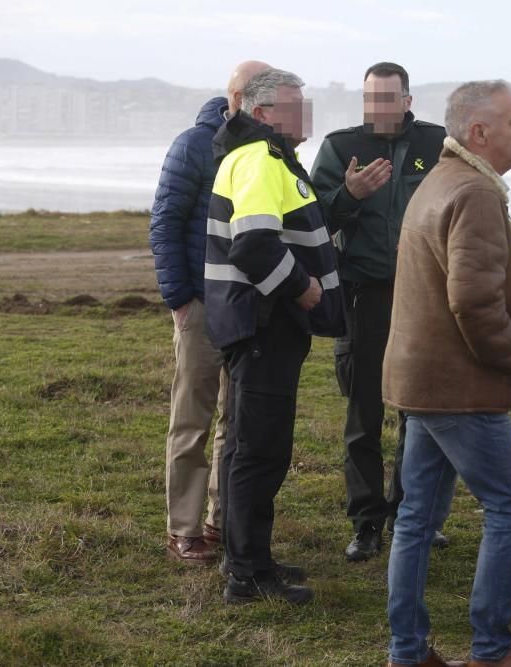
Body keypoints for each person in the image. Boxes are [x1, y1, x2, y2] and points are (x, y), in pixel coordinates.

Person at [382, 80, 511, 667]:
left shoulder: (441, 179)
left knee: (417, 517)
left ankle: (407, 651)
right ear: (479, 132)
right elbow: (473, 301)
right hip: (458, 385)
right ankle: (491, 651)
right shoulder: (473, 191)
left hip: (423, 379)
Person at [205, 67, 345, 604]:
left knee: (247, 446)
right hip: (263, 325)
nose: (305, 114)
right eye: (295, 105)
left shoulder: (266, 158)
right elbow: (254, 244)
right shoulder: (259, 160)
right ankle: (248, 575)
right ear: (261, 113)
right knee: (260, 451)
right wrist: (304, 289)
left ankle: (248, 557)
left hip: (258, 325)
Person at [311, 62, 449, 562]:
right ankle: (366, 521)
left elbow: (460, 204)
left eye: (388, 99)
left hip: (423, 296)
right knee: (364, 413)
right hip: (365, 294)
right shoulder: (340, 146)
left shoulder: (438, 144)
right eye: (370, 99)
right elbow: (312, 218)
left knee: (420, 410)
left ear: (408, 101)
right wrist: (350, 194)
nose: (378, 109)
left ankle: (413, 517)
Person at [149, 59, 270, 566]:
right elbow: (165, 222)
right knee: (192, 419)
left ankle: (221, 521)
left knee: (235, 419)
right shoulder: (193, 144)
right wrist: (179, 298)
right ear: (240, 97)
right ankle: (184, 528)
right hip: (200, 303)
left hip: (245, 305)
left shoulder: (266, 150)